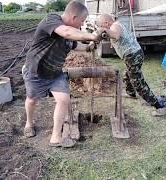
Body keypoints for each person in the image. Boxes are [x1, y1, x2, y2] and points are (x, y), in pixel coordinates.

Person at [22, 1, 103, 147]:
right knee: (32, 100)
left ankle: (56, 137)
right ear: (74, 17)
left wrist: (89, 47)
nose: (81, 24)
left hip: (55, 73)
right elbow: (66, 32)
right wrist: (91, 36)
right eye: (82, 21)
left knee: (64, 99)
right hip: (36, 71)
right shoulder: (51, 20)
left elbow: (75, 45)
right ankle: (28, 123)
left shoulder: (68, 34)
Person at [96, 14, 164, 109]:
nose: (100, 28)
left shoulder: (115, 26)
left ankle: (156, 104)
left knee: (137, 81)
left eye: (100, 26)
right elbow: (102, 36)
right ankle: (131, 93)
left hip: (133, 55)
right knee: (127, 75)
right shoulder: (112, 27)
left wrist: (103, 30)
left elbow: (116, 35)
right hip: (134, 54)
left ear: (106, 23)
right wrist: (94, 40)